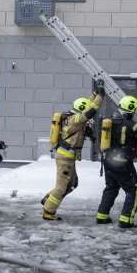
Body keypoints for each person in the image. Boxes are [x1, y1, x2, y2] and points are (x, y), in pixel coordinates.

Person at [41, 81, 105, 221]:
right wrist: (100, 96)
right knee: (62, 186)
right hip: (66, 157)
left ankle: (48, 200)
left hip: (68, 156)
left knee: (73, 183)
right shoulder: (75, 120)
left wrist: (94, 93)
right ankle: (48, 211)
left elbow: (87, 106)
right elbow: (91, 111)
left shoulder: (71, 116)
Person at [95, 95, 137, 229]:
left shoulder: (109, 122)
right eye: (134, 110)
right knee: (133, 189)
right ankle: (126, 220)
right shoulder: (133, 125)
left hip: (108, 161)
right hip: (122, 164)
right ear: (130, 110)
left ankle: (102, 216)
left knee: (111, 188)